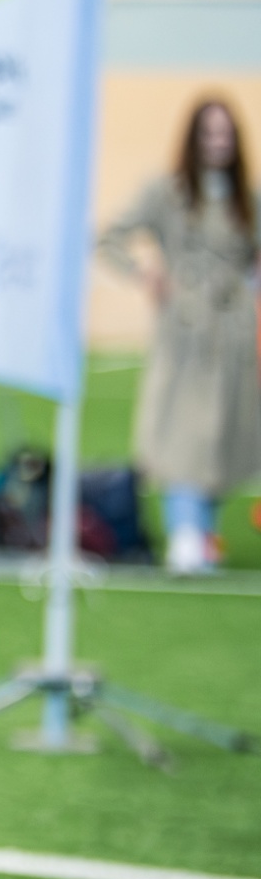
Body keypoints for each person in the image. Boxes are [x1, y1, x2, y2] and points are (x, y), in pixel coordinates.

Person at [98, 97, 261, 575]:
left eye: (225, 133)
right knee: (181, 431)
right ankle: (185, 531)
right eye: (209, 133)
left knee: (226, 433)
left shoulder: (246, 199)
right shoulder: (166, 193)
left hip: (235, 336)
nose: (218, 142)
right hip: (186, 333)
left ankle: (203, 531)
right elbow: (110, 237)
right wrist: (145, 274)